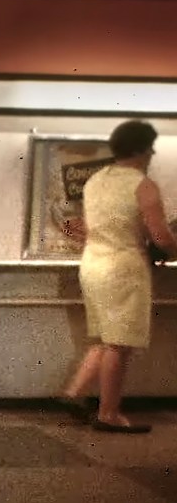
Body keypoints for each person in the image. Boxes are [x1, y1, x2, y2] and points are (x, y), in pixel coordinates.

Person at [59, 120, 176, 433]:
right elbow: (161, 237)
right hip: (123, 268)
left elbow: (85, 226)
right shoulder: (142, 184)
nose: (152, 152)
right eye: (150, 146)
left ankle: (73, 395)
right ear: (140, 149)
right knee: (120, 344)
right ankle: (109, 413)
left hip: (93, 264)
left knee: (103, 338)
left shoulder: (96, 180)